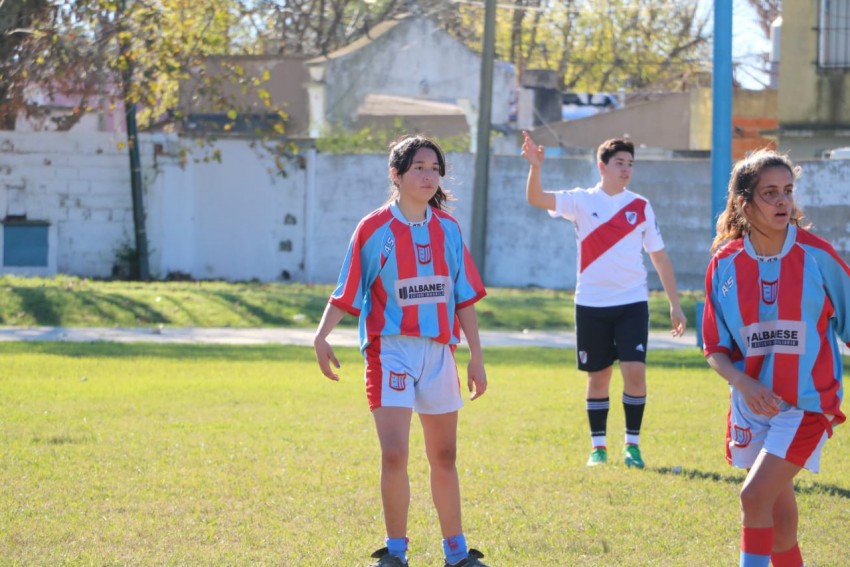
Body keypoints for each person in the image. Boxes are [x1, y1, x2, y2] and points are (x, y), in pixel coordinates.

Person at [313, 136, 489, 567]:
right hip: (389, 351)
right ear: (396, 174)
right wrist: (321, 336)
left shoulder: (448, 228)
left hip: (438, 353)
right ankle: (395, 552)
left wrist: (476, 356)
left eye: (435, 169)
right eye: (419, 168)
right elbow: (347, 289)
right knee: (394, 453)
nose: (429, 176)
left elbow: (463, 296)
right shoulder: (374, 229)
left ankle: (457, 554)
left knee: (444, 456)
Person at [702, 149, 850, 567]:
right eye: (770, 193)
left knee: (753, 497)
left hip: (806, 403)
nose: (783, 201)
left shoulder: (817, 256)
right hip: (752, 405)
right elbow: (715, 348)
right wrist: (743, 383)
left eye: (787, 190)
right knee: (780, 524)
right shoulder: (724, 264)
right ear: (744, 203)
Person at [521, 131, 687, 468]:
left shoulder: (640, 206)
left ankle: (632, 445)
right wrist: (535, 167)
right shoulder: (580, 201)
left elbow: (659, 257)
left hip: (632, 304)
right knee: (598, 377)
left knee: (634, 372)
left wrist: (675, 304)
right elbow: (536, 198)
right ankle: (598, 448)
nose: (626, 170)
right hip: (591, 304)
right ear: (602, 166)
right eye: (620, 163)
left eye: (630, 164)